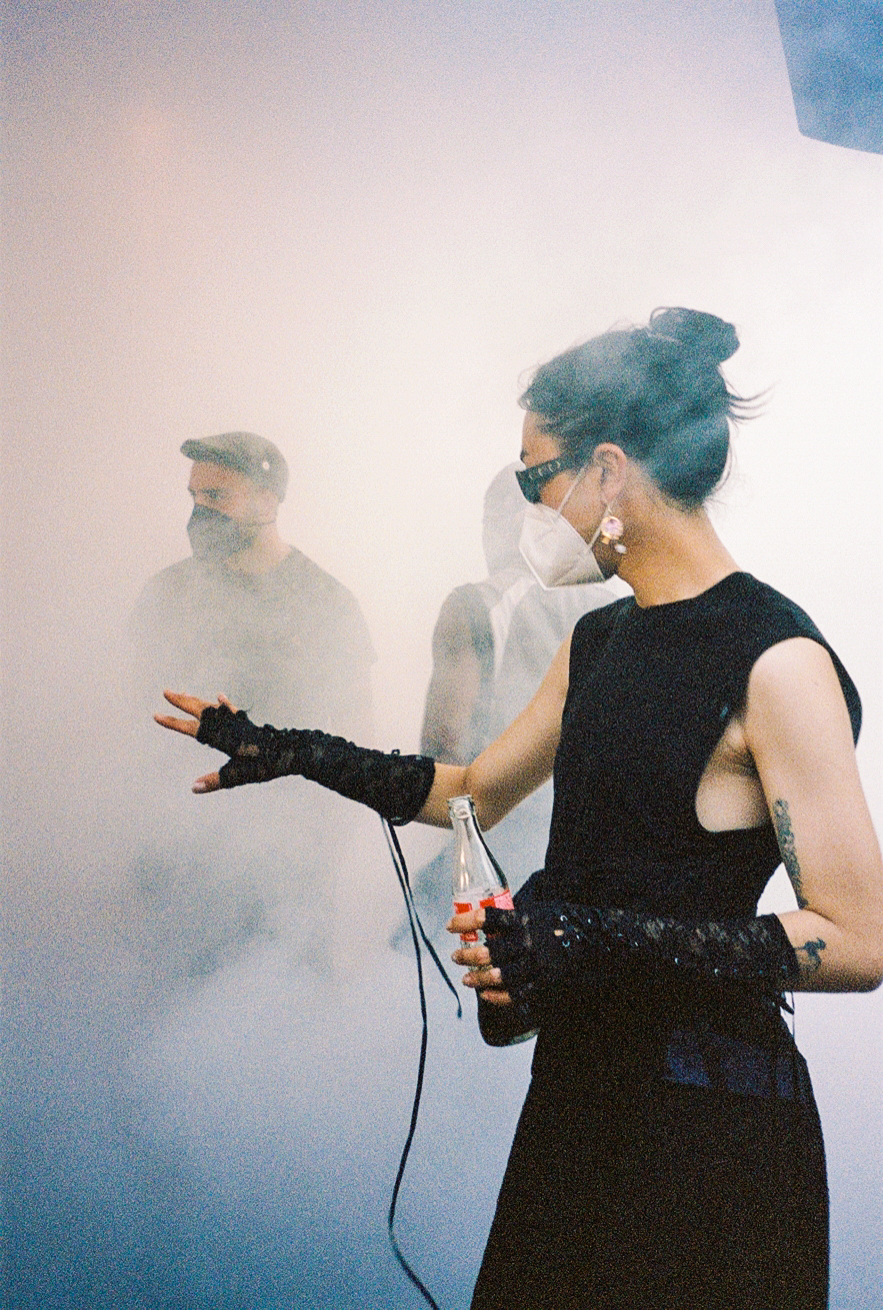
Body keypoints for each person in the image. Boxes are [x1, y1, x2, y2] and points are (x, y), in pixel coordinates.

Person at [155, 312, 883, 1309]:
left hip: (710, 1127)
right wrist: (288, 750)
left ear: (609, 471)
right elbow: (471, 788)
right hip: (581, 1103)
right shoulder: (599, 644)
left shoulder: (775, 657)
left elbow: (856, 937)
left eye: (535, 476)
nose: (527, 502)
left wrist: (580, 935)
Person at [132, 431, 375, 980]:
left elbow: (357, 732)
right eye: (193, 498)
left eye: (216, 498)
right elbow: (127, 725)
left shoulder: (325, 603)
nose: (199, 514)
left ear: (268, 501)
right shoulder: (165, 595)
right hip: (176, 867)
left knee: (274, 1023)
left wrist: (324, 854)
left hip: (284, 874)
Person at [393, 463, 617, 945]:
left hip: (503, 855)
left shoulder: (476, 605)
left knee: (429, 973)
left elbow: (442, 749)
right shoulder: (623, 604)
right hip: (604, 872)